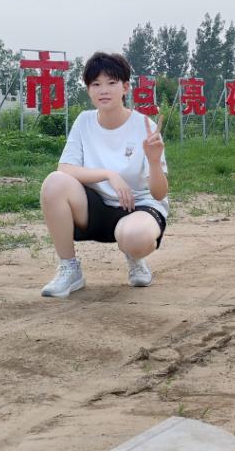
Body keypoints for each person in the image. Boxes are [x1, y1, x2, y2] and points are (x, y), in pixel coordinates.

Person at [39, 52, 168, 298]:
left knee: (135, 238)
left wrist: (153, 161)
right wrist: (109, 174)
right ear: (88, 90)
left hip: (138, 207)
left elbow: (159, 193)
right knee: (54, 183)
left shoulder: (145, 126)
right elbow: (65, 169)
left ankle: (135, 257)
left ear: (125, 87)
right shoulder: (84, 122)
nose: (103, 90)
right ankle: (69, 268)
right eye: (96, 84)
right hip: (96, 207)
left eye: (111, 82)